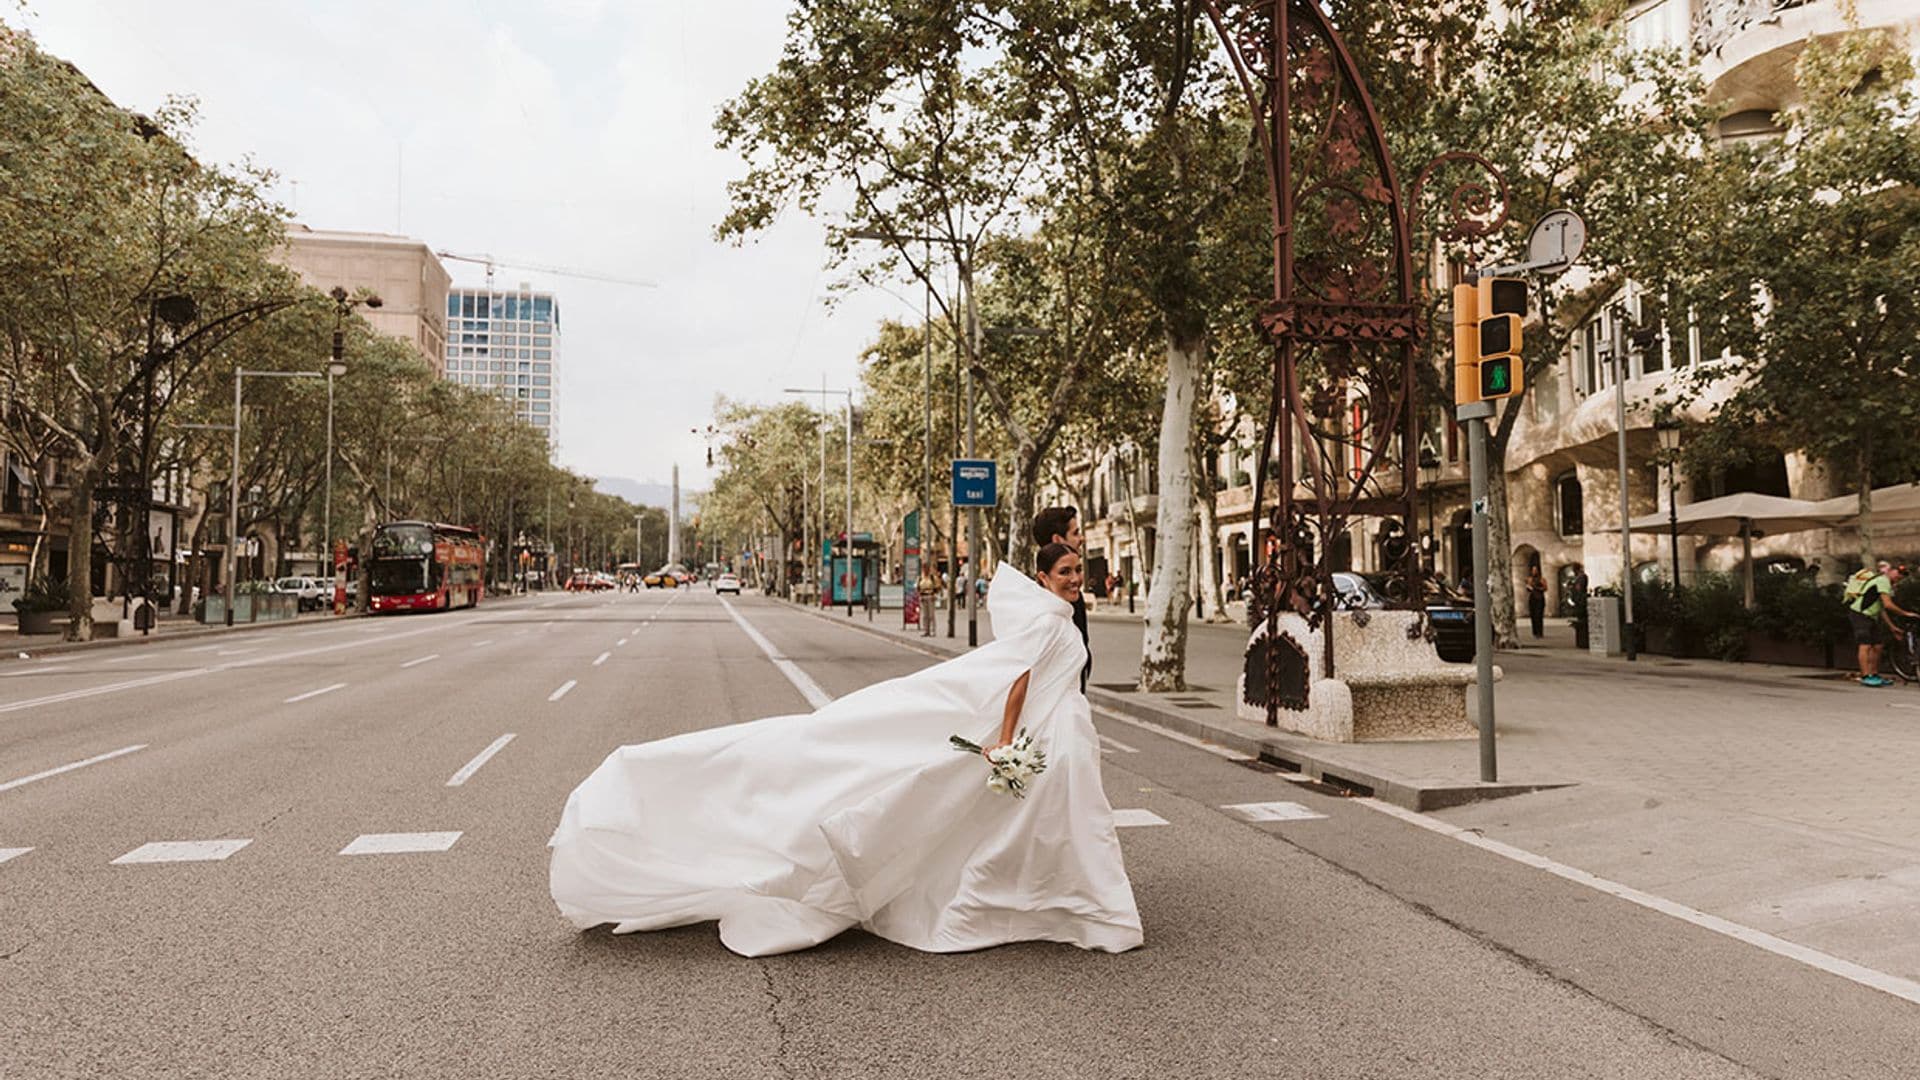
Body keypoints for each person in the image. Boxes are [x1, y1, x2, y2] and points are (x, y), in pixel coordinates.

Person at [547, 544, 1142, 957]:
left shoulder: (1061, 615)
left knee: (1053, 818)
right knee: (1054, 815)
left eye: (1076, 569)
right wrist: (1007, 739)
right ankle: (1081, 906)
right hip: (1045, 731)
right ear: (1043, 578)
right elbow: (1019, 677)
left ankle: (1072, 903)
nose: (1073, 577)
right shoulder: (1048, 622)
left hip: (1063, 729)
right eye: (1063, 570)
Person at [1032, 506, 1091, 692]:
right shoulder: (1042, 604)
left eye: (1078, 571)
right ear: (1058, 540)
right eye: (1075, 533)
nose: (1081, 539)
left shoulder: (1072, 593)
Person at [1848, 559, 1917, 687]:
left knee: (1878, 645)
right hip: (1859, 614)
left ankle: (1874, 674)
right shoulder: (1883, 581)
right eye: (1898, 573)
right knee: (1865, 645)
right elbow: (1888, 605)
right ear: (1890, 571)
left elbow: (1881, 609)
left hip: (1871, 616)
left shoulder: (1887, 584)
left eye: (1902, 576)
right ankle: (1865, 676)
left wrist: (1892, 627)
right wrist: (1905, 613)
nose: (1899, 577)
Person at [1525, 565, 1548, 640]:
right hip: (1532, 598)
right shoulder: (1529, 579)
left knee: (1539, 616)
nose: (1534, 571)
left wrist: (1536, 588)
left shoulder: (1542, 579)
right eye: (1533, 570)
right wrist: (1529, 587)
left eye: (1535, 570)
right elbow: (1527, 588)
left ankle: (1539, 632)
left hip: (1539, 598)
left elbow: (1545, 588)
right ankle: (1534, 632)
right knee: (1533, 615)